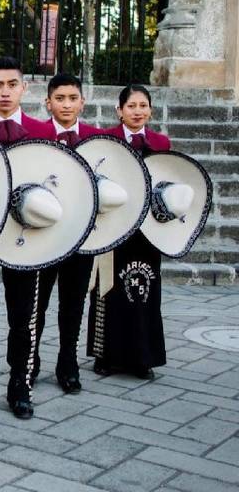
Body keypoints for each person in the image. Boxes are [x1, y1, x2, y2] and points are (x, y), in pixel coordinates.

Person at [0, 56, 55, 420]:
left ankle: (20, 384)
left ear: (25, 88)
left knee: (24, 314)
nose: (5, 92)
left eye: (12, 85)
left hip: (26, 235)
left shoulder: (43, 131)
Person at [88, 84, 171, 379]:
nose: (138, 111)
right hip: (114, 226)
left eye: (143, 105)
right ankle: (105, 356)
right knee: (108, 290)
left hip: (148, 229)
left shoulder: (161, 143)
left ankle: (142, 357)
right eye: (132, 106)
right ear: (119, 110)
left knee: (144, 291)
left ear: (150, 109)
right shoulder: (106, 141)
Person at [33, 73, 103, 394]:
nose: (66, 104)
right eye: (59, 99)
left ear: (82, 102)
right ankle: (30, 359)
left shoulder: (98, 139)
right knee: (38, 301)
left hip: (82, 235)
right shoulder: (35, 135)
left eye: (72, 98)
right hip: (44, 236)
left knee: (73, 301)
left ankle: (68, 361)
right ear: (48, 103)